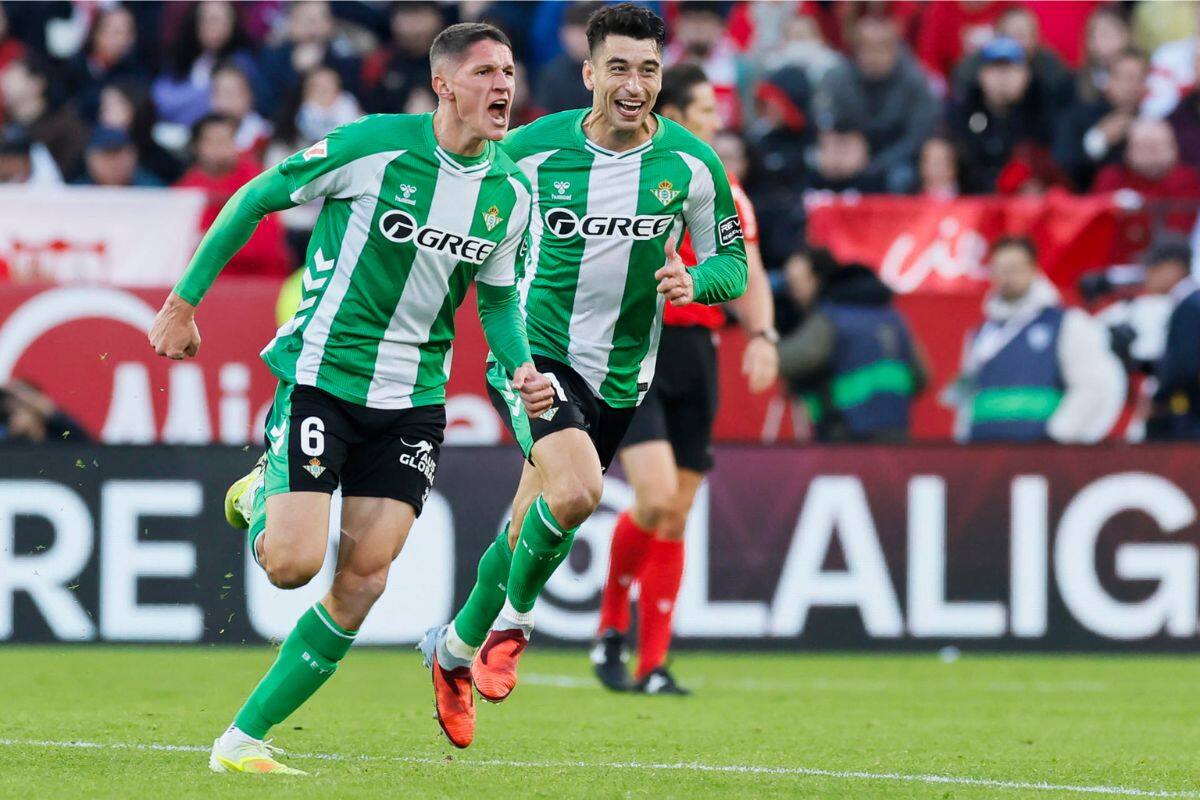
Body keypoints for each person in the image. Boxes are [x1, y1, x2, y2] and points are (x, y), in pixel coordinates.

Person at [148, 22, 554, 775]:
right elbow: (255, 198)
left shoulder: (512, 191)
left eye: (509, 73)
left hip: (414, 401)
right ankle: (263, 489)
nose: (504, 86)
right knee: (293, 565)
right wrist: (184, 301)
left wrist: (523, 370)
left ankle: (241, 741)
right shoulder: (372, 146)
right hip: (323, 378)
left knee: (365, 579)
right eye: (487, 72)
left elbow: (496, 303)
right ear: (444, 84)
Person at [420, 3, 747, 749]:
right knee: (578, 491)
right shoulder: (531, 151)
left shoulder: (691, 165)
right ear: (590, 72)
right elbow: (461, 206)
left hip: (625, 377)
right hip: (537, 356)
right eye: (621, 68)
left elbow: (731, 260)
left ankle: (452, 652)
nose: (636, 85)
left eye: (650, 70)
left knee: (530, 519)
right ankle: (515, 624)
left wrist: (698, 283)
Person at [591, 64, 776, 696]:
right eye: (704, 110)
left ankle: (653, 664)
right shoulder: (637, 173)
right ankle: (611, 624)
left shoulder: (722, 186)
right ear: (671, 113)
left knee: (677, 512)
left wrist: (763, 335)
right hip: (639, 344)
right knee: (657, 494)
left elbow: (749, 268)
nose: (716, 122)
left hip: (698, 352)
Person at [952, 236, 1124, 443]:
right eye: (999, 269)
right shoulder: (980, 334)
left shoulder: (1068, 323)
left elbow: (1095, 386)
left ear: (1034, 269)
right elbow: (966, 396)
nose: (1006, 277)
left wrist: (1059, 435)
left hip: (1040, 455)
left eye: (1014, 268)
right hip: (983, 452)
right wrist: (963, 441)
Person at [780, 251, 926, 441]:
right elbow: (923, 376)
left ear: (817, 279)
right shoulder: (894, 318)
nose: (792, 294)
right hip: (896, 430)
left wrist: (764, 341)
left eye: (795, 284)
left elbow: (792, 359)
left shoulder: (830, 317)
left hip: (846, 433)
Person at [812, 15, 935, 193]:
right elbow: (823, 116)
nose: (873, 57)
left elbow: (917, 137)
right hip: (848, 152)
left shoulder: (914, 81)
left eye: (881, 49)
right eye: (867, 49)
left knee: (901, 176)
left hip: (894, 156)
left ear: (895, 50)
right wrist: (837, 146)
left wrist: (875, 164)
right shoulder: (838, 77)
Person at [174, 114, 291, 279]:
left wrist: (210, 242)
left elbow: (266, 246)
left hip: (260, 281)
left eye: (226, 140)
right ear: (196, 146)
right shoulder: (185, 192)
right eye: (212, 142)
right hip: (206, 286)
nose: (220, 148)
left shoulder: (258, 181)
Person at [948, 36, 1058, 193]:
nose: (1002, 78)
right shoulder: (965, 111)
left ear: (1025, 75)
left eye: (1010, 69)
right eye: (995, 69)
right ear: (981, 75)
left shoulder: (1042, 110)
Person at [151, 0, 263, 127]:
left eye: (223, 20)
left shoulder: (243, 62)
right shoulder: (183, 57)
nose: (215, 27)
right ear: (195, 22)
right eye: (209, 20)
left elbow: (227, 108)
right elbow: (160, 99)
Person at [1054, 48, 1148, 190]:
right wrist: (1098, 140)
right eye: (1128, 78)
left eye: (1140, 78)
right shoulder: (1078, 117)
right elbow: (1064, 169)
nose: (1134, 86)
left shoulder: (1153, 119)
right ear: (1108, 81)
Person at [1091, 118, 1200, 231]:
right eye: (1144, 147)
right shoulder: (1111, 178)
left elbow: (1179, 229)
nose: (1152, 156)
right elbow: (1095, 222)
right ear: (1127, 151)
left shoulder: (1187, 179)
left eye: (1158, 147)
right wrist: (1112, 202)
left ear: (1175, 149)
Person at [1141, 239, 1200, 440]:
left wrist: (1158, 399)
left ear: (1174, 268)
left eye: (1152, 268)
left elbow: (1185, 365)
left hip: (1192, 416)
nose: (1147, 276)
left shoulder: (1189, 306)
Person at [361, 1, 446, 114]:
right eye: (404, 14)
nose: (412, 25)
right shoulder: (380, 61)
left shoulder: (458, 58)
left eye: (418, 13)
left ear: (436, 17)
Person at [535, 1, 600, 113]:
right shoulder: (553, 73)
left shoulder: (610, 69)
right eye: (574, 32)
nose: (580, 40)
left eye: (585, 32)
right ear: (562, 34)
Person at [74, 126, 163, 187]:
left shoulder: (153, 191)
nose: (113, 164)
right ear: (90, 159)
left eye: (119, 155)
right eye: (107, 156)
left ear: (134, 156)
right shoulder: (74, 193)